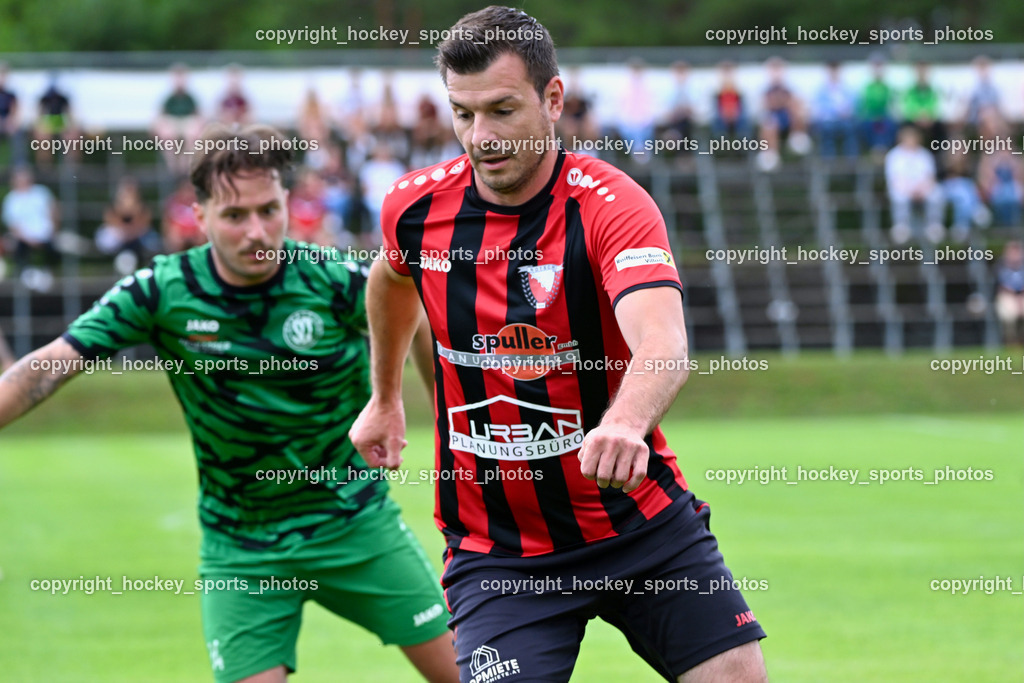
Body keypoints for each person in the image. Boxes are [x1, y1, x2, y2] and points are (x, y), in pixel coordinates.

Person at [349, 7, 768, 683]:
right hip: (499, 550)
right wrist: (387, 396)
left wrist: (628, 421)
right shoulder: (416, 208)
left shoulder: (610, 205)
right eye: (462, 113)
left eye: (502, 110)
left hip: (639, 527)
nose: (479, 136)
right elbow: (391, 279)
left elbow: (662, 340)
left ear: (553, 99)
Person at [0, 124, 458, 683]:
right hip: (242, 548)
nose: (258, 232)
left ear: (288, 200)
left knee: (470, 674)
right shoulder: (160, 291)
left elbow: (408, 302)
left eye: (269, 209)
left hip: (355, 524)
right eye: (236, 216)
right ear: (200, 214)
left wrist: (435, 411)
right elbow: (45, 368)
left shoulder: (332, 278)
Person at [1, 165, 60, 290]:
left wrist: (52, 231)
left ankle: (49, 273)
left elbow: (54, 212)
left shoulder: (41, 192)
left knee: (54, 248)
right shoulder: (11, 199)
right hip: (24, 238)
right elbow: (13, 226)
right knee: (15, 246)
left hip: (46, 235)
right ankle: (25, 273)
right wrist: (28, 239)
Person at [885, 126, 945, 244]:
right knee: (899, 197)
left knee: (937, 194)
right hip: (902, 189)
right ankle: (901, 228)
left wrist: (921, 189)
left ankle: (934, 227)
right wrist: (910, 190)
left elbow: (930, 177)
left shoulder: (925, 154)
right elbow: (894, 179)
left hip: (923, 189)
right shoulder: (894, 155)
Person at [152, 63, 204, 174]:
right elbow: (160, 115)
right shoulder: (169, 98)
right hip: (173, 123)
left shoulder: (190, 97)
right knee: (168, 136)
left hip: (187, 123)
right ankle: (173, 167)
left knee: (192, 135)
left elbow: (198, 114)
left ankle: (186, 164)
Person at [995, 240, 1024, 345]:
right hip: (1007, 295)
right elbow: (1001, 285)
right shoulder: (1001, 265)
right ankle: (1011, 342)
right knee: (1009, 313)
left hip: (1022, 296)